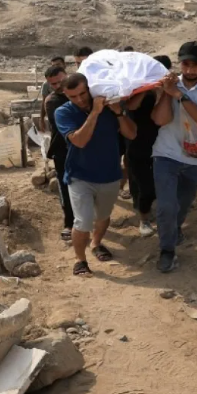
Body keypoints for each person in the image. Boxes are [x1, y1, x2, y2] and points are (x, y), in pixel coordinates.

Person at [150, 41, 197, 273]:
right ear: (179, 63)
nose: (190, 70)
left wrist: (179, 95)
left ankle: (174, 229)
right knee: (166, 206)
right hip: (166, 152)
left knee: (183, 203)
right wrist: (167, 93)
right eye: (185, 64)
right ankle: (167, 250)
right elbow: (160, 120)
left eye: (195, 65)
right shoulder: (171, 83)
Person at [54, 73, 137, 276]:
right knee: (82, 221)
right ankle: (80, 260)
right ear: (65, 95)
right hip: (79, 175)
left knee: (103, 216)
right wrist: (94, 113)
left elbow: (131, 134)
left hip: (110, 174)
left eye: (83, 93)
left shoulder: (110, 107)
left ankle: (96, 243)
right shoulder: (63, 112)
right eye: (73, 96)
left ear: (89, 89)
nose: (80, 99)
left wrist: (118, 113)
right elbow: (79, 141)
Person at [125, 55, 168, 237]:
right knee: (145, 186)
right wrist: (146, 88)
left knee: (161, 183)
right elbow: (131, 107)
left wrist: (164, 90)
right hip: (139, 143)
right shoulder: (137, 87)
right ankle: (144, 219)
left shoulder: (168, 89)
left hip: (163, 143)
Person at [43, 66, 75, 242]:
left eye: (60, 81)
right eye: (53, 84)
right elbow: (64, 125)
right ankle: (69, 223)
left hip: (83, 148)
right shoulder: (52, 101)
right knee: (65, 186)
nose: (57, 86)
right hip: (62, 150)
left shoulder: (80, 92)